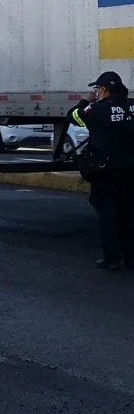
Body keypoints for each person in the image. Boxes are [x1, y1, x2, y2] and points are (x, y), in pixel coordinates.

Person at [68, 70, 134, 269]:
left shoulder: (96, 109)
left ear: (104, 89)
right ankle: (131, 258)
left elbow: (73, 117)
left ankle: (112, 259)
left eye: (97, 89)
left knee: (108, 214)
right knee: (130, 213)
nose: (96, 92)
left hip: (106, 171)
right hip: (131, 169)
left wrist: (85, 101)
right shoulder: (132, 106)